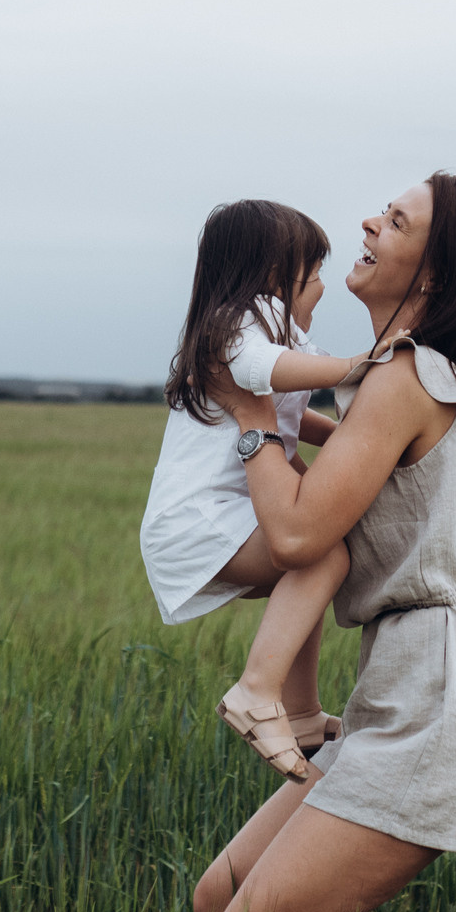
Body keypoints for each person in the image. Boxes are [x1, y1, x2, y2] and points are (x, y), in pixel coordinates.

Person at [193, 173, 456, 912]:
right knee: (220, 904)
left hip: (446, 695)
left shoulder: (409, 377)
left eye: (396, 220)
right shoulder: (397, 376)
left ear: (435, 271)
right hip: (407, 683)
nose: (368, 222)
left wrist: (249, 415)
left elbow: (296, 535)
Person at [142, 199, 385, 782]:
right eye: (317, 272)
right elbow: (260, 372)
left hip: (223, 516)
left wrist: (362, 438)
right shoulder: (235, 328)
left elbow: (292, 423)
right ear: (275, 277)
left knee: (314, 561)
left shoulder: (278, 338)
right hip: (200, 520)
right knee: (322, 553)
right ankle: (257, 690)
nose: (323, 287)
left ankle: (300, 713)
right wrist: (362, 364)